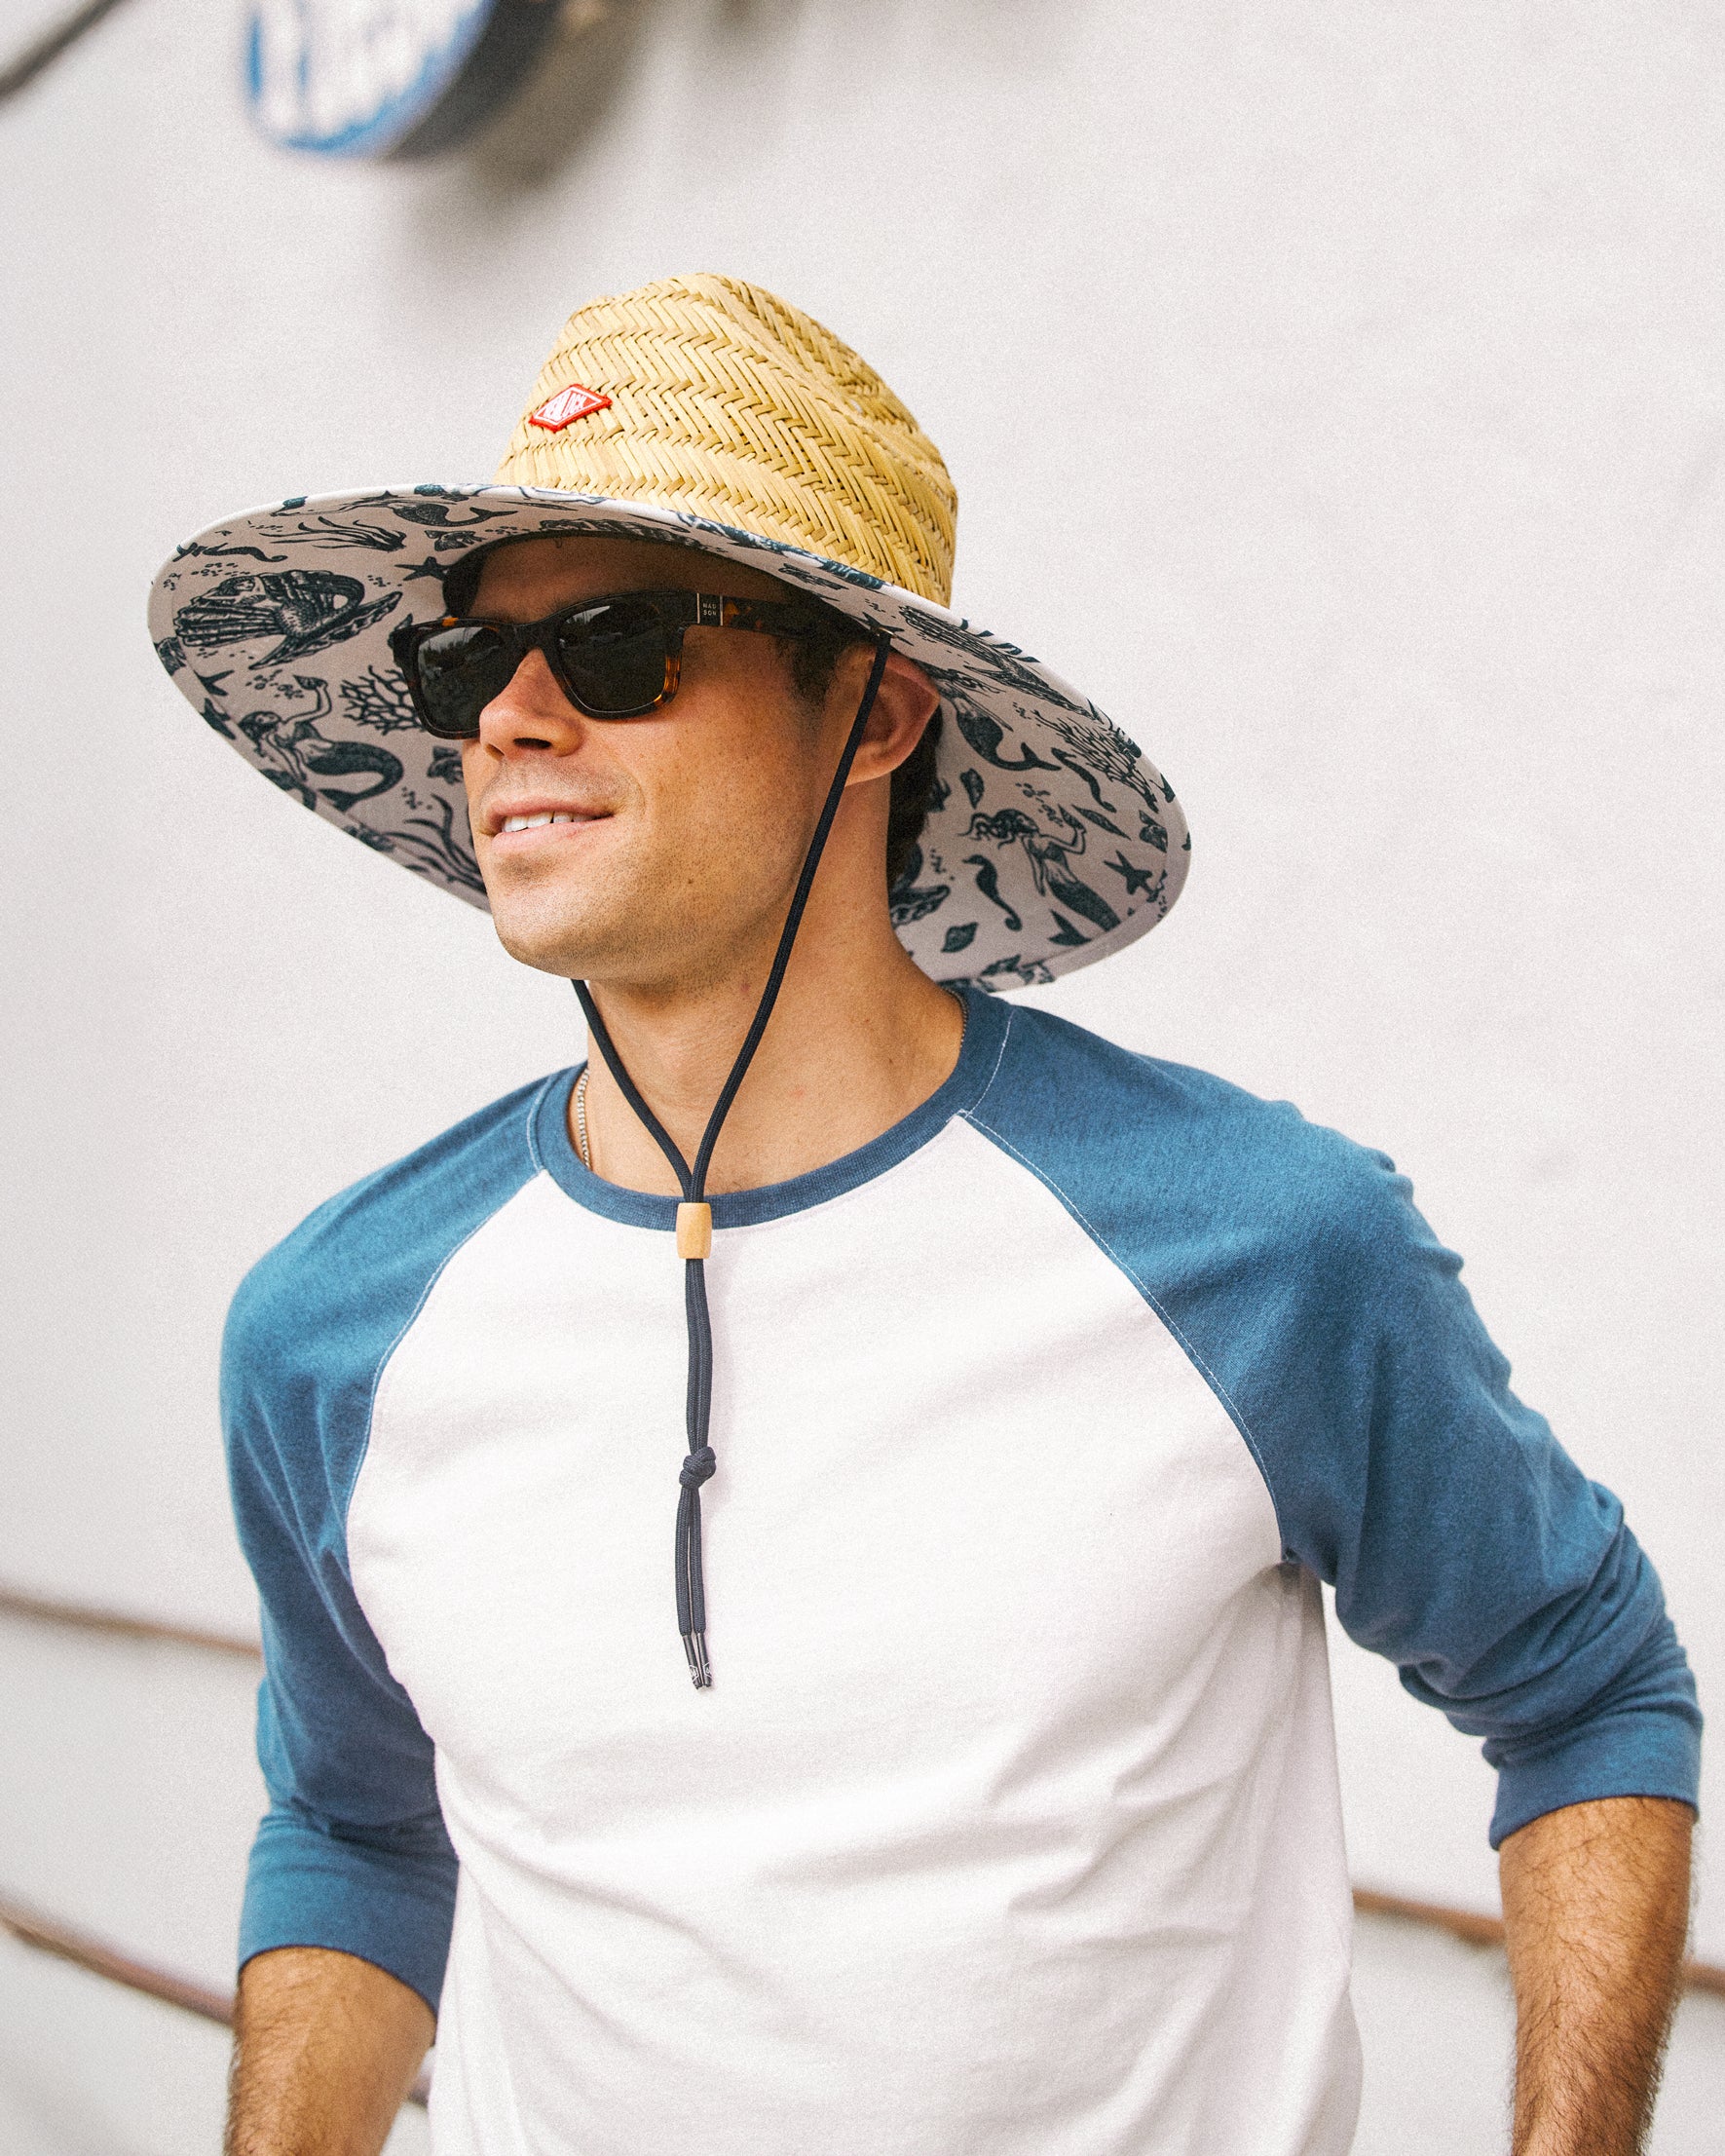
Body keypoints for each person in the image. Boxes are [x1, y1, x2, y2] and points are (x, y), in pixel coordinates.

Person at [148, 274, 1700, 2156]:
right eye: (470, 665)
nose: (516, 718)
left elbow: (1590, 1684)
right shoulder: (333, 1327)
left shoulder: (1257, 1245)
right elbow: (352, 1827)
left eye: (623, 641)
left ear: (873, 710)